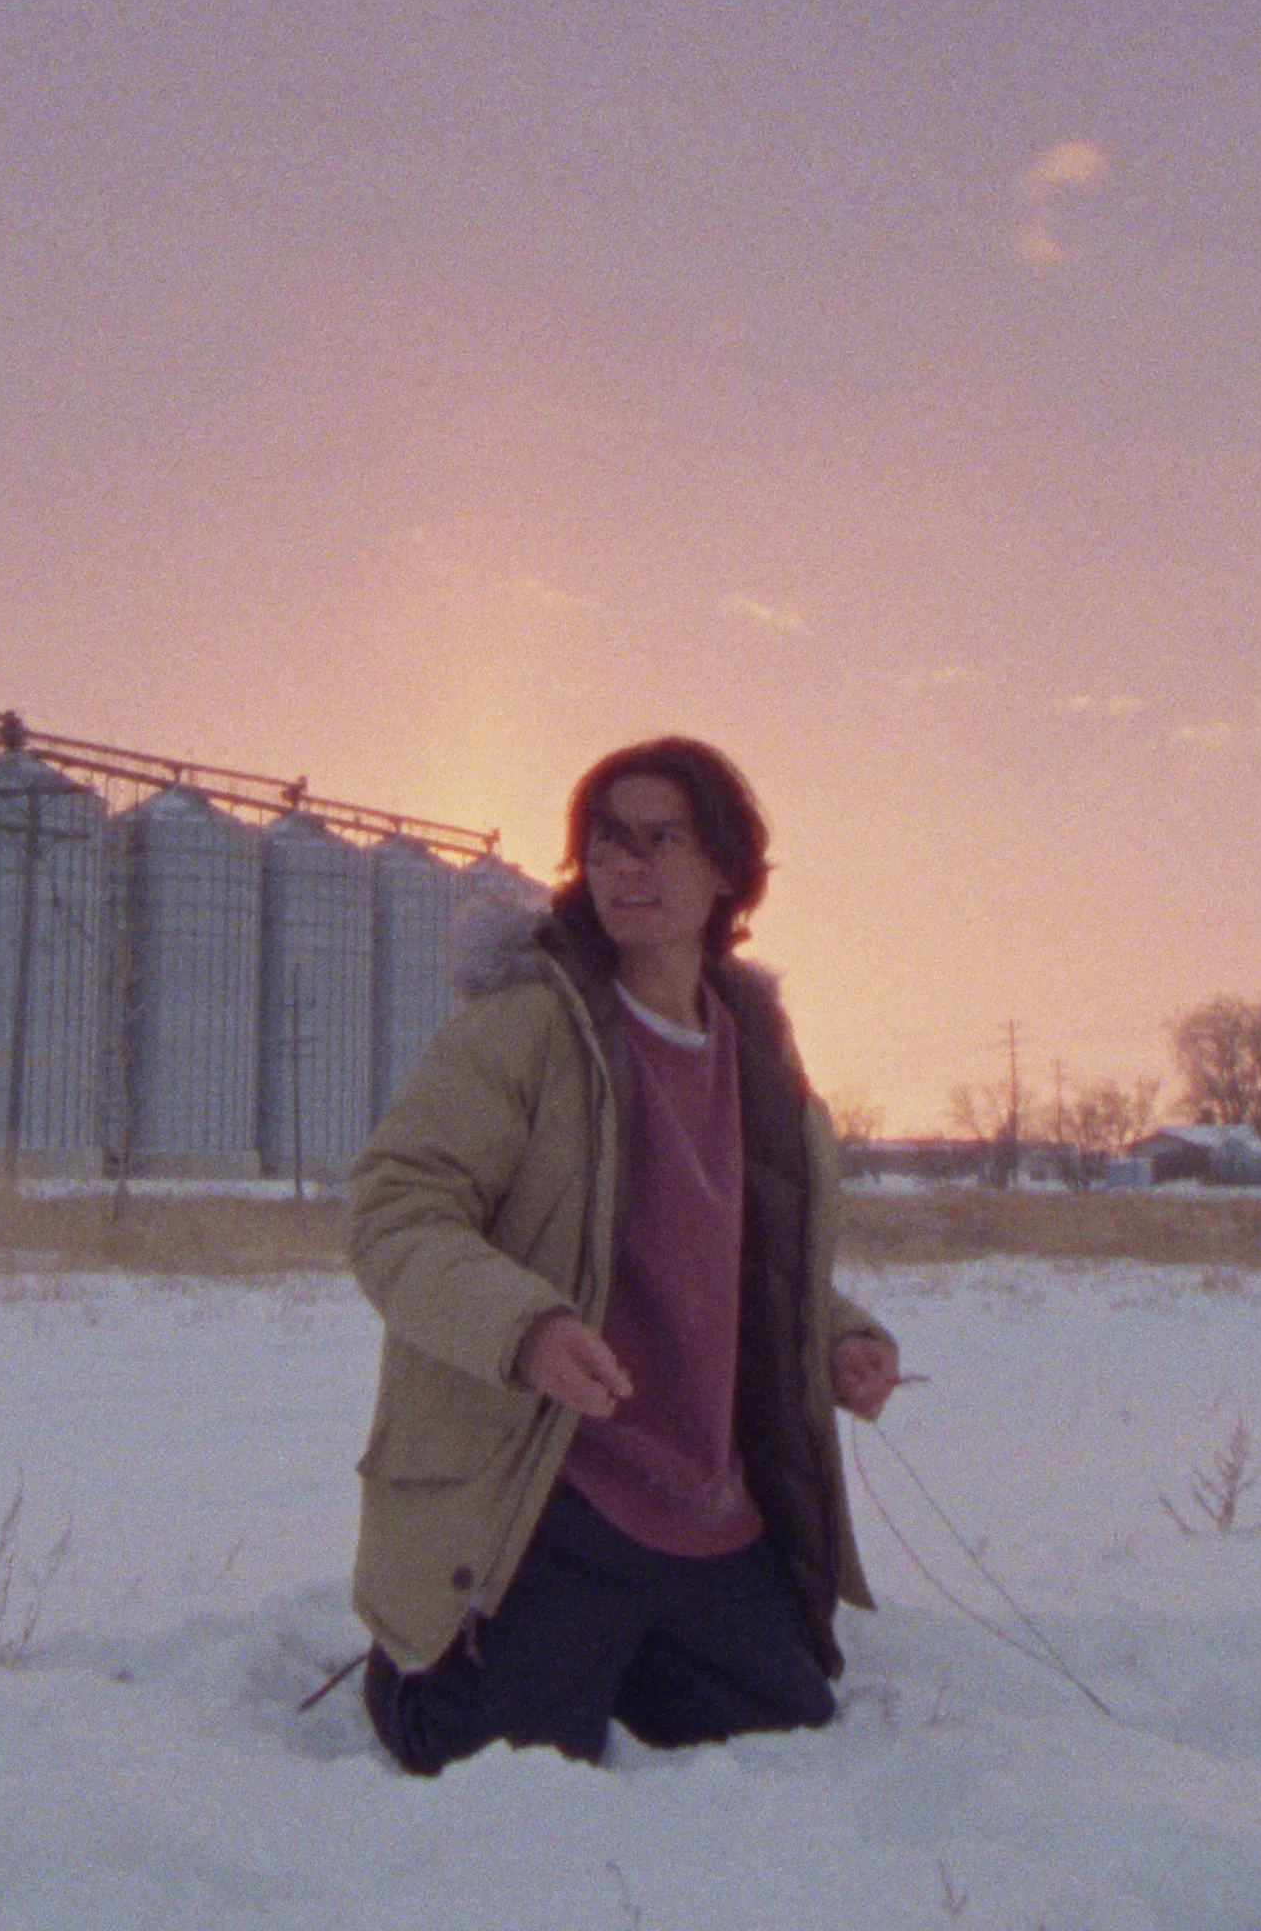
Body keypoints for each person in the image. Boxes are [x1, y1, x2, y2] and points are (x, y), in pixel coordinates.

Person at [345, 735, 902, 1773]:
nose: (625, 866)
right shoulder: (526, 1029)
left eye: (659, 840)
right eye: (605, 841)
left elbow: (734, 1248)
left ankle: (633, 1639)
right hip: (559, 1488)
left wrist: (837, 1336)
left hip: (707, 1503)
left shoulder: (757, 1049)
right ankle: (426, 1651)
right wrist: (527, 1329)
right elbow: (394, 1207)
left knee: (791, 1733)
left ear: (728, 871)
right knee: (474, 1757)